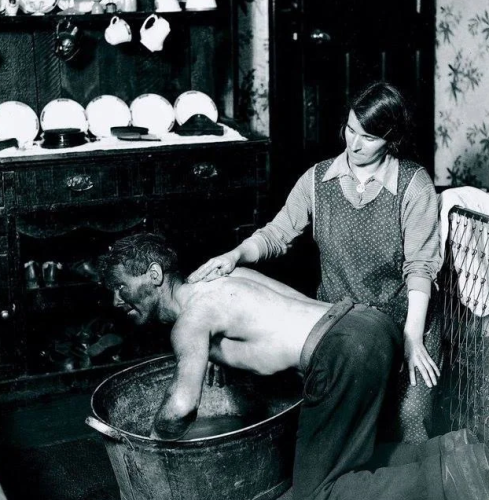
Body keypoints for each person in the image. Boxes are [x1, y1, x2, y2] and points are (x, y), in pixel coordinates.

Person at [99, 232, 489, 500]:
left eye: (120, 287)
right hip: (368, 323)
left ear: (153, 275)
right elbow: (284, 318)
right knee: (347, 460)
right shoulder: (222, 275)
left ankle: (447, 479)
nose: (117, 301)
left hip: (342, 350)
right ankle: (453, 453)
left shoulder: (189, 323)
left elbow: (182, 407)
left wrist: (149, 442)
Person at [187, 81, 442, 443]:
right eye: (350, 130)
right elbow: (277, 234)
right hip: (340, 323)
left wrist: (413, 339)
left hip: (403, 320)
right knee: (343, 431)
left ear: (391, 138)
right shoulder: (317, 180)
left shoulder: (414, 186)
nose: (353, 145)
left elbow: (420, 267)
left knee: (409, 422)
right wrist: (235, 255)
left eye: (368, 137)